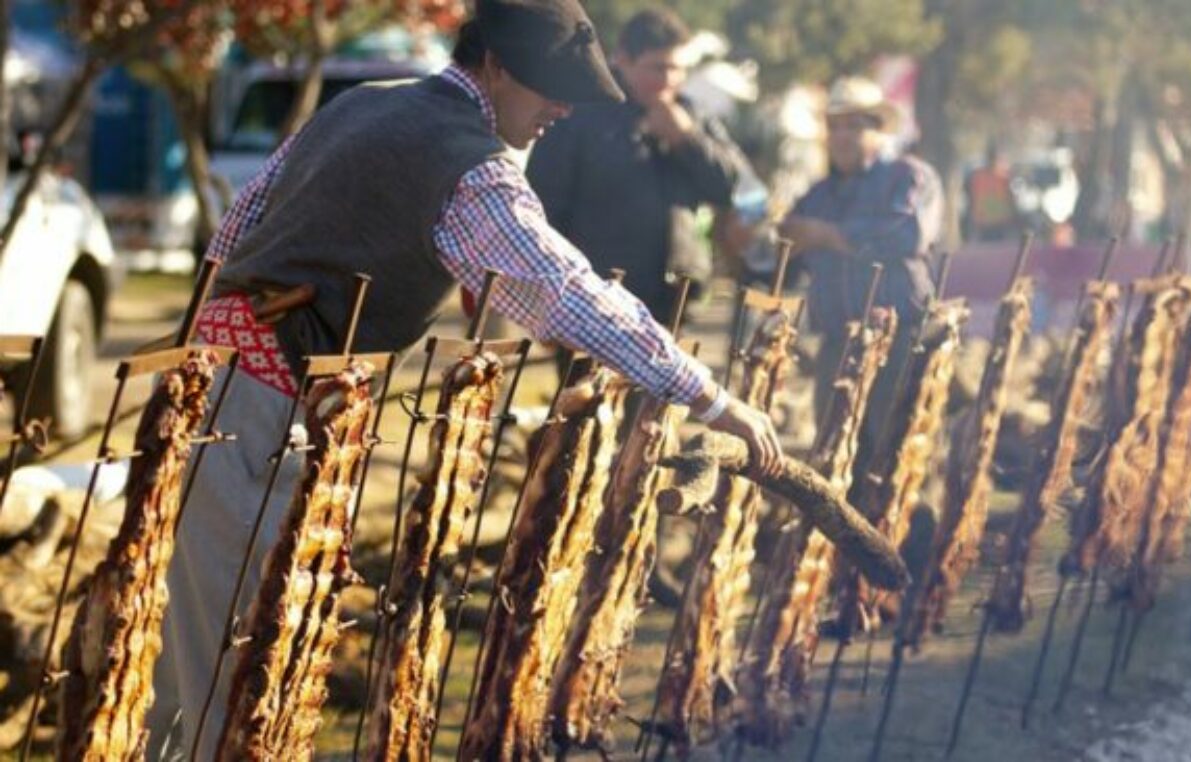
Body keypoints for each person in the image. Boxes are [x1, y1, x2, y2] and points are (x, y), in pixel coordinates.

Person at [146, 0, 783, 757]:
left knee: (188, 670)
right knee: (240, 673)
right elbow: (565, 293)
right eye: (551, 87)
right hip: (259, 398)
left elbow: (242, 223)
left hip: (218, 381)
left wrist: (205, 341)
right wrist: (707, 397)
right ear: (496, 67)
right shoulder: (469, 166)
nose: (561, 108)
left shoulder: (364, 104)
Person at [526, 8, 747, 324]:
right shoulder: (579, 116)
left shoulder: (691, 116)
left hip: (676, 300)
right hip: (597, 303)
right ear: (622, 60)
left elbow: (736, 187)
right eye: (658, 68)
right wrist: (549, 299)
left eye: (678, 69)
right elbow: (544, 209)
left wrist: (686, 139)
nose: (669, 80)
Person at [779, 75, 944, 444]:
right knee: (831, 450)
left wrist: (826, 235)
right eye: (834, 126)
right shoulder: (816, 196)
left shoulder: (910, 177)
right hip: (837, 343)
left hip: (898, 339)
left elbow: (907, 235)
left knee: (892, 452)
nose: (841, 136)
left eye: (853, 126)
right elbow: (784, 262)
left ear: (879, 130)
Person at [963, 141, 1019, 241]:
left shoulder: (1005, 178)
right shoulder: (978, 177)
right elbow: (971, 199)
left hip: (1001, 224)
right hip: (983, 224)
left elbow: (1012, 200)